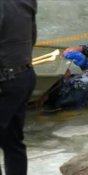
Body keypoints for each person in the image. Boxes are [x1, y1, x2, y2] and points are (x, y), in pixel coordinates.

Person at [0, 0, 37, 174]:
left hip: (5, 81)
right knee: (12, 141)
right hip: (24, 75)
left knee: (12, 141)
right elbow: (32, 37)